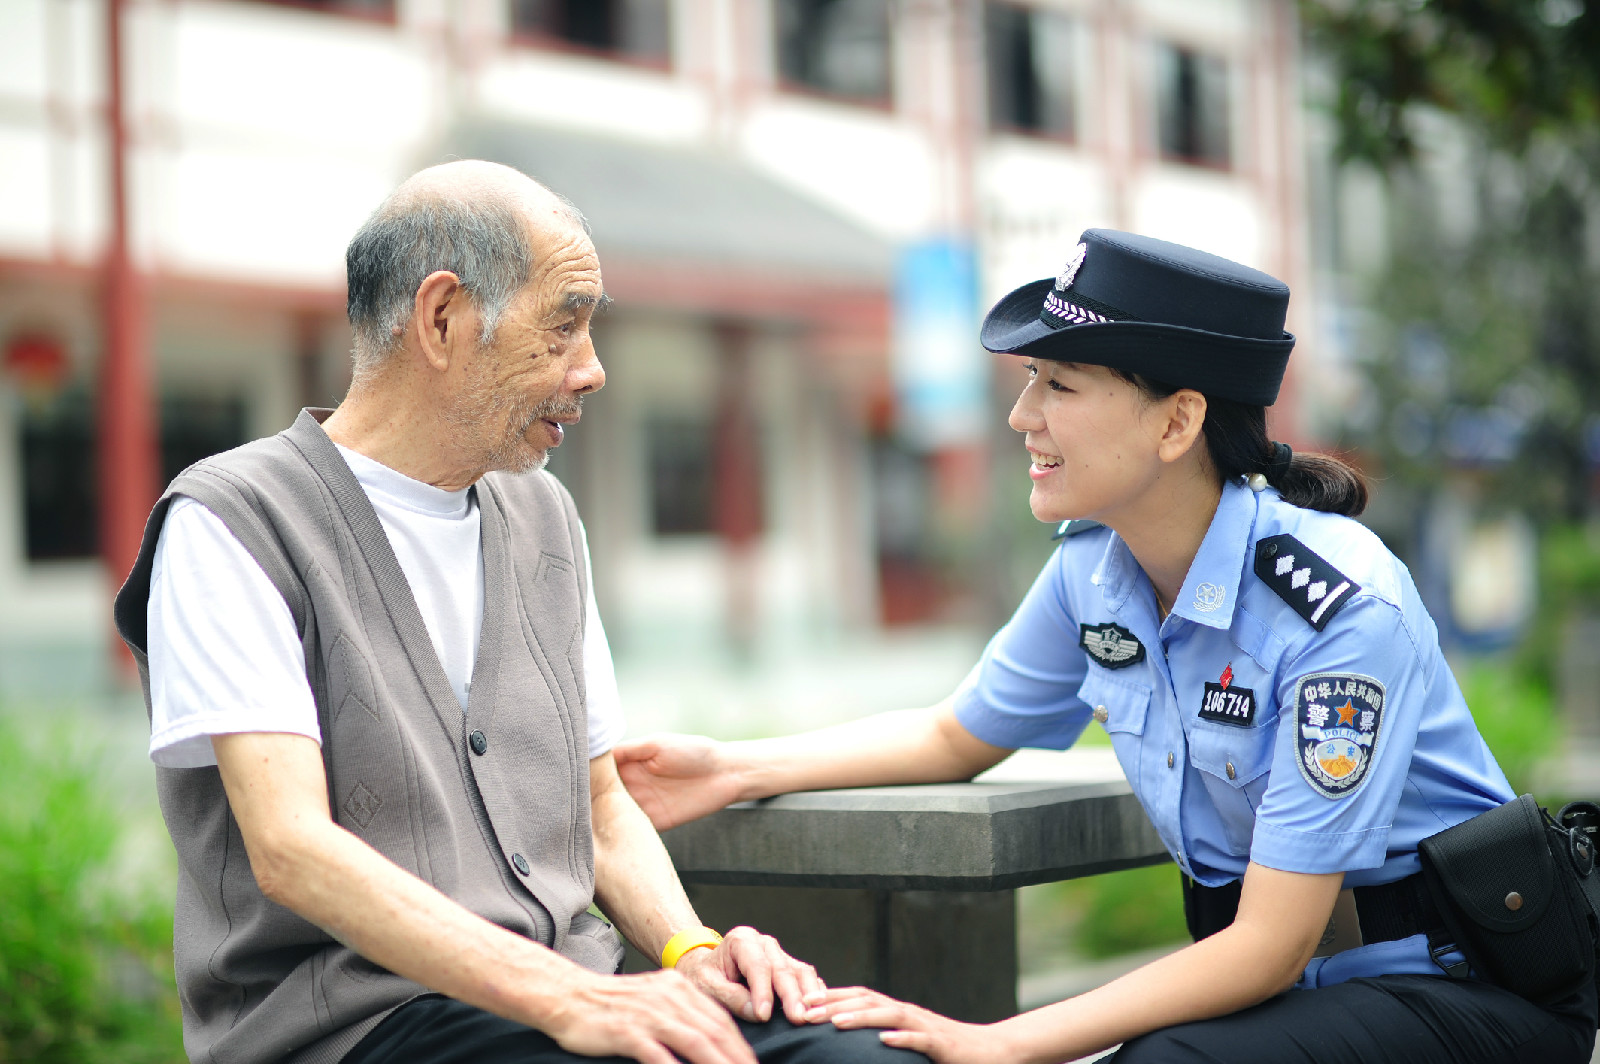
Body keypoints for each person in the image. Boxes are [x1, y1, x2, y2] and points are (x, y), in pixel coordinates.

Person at [615, 229, 1600, 1064]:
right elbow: (956, 735)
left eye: (1061, 384)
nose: (1022, 416)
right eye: (1029, 380)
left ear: (1178, 421)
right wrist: (727, 767)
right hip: (1297, 994)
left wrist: (1002, 1038)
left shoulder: (1337, 609)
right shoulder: (1096, 569)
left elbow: (1265, 944)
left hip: (1460, 986)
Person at [111, 161, 922, 1064]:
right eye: (565, 325)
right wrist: (564, 996)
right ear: (443, 317)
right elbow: (291, 850)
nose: (594, 370)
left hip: (572, 1000)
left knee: (863, 1056)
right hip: (358, 1030)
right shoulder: (233, 521)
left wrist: (691, 952)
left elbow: (602, 806)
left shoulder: (546, 521)